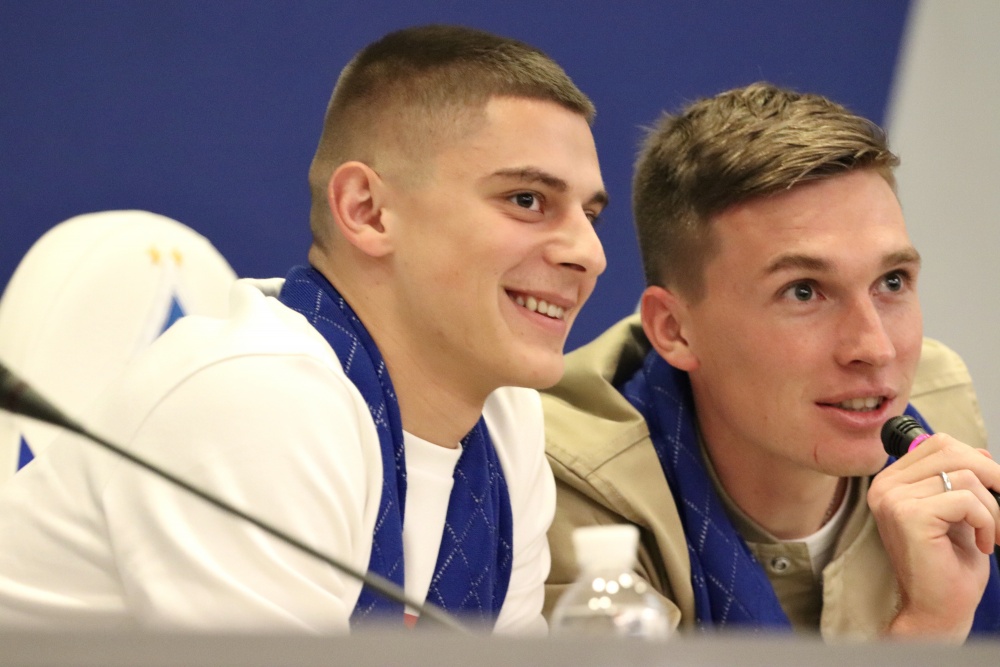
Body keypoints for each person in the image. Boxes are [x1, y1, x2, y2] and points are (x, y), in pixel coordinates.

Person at [0, 25, 607, 633]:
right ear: (368, 211)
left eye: (589, 215)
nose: (590, 254)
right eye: (526, 200)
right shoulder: (256, 397)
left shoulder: (508, 424)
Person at [543, 82, 1000, 641]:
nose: (876, 348)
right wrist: (928, 629)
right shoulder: (560, 486)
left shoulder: (938, 401)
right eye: (803, 291)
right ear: (674, 330)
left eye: (892, 281)